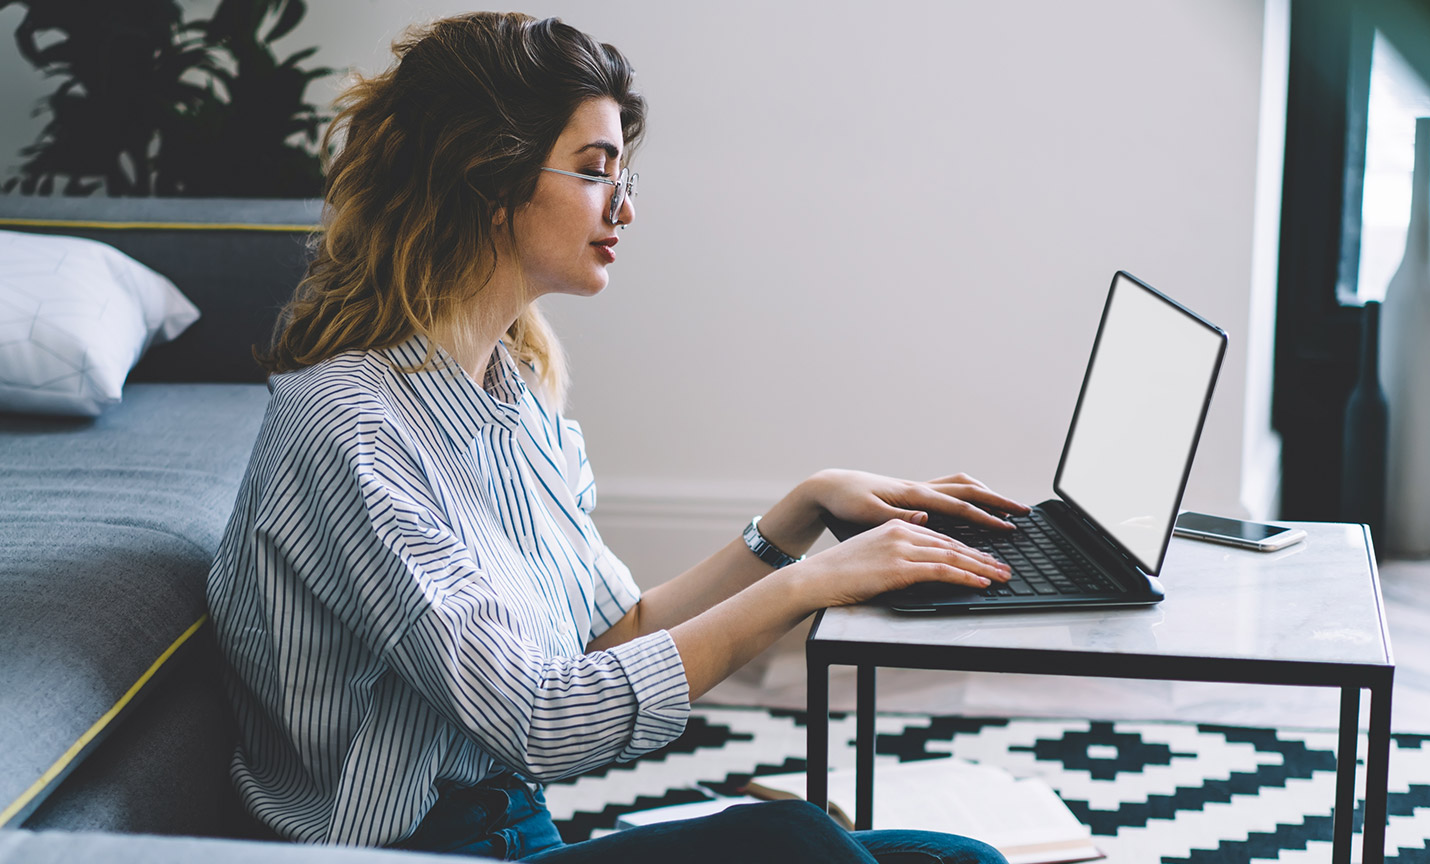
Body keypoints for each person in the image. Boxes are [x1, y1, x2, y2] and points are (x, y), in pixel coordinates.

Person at [207, 11, 1029, 863]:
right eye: (598, 172)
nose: (625, 209)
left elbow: (616, 632)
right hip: (416, 852)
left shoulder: (511, 398)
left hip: (514, 833)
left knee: (957, 860)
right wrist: (811, 587)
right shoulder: (349, 428)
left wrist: (797, 516)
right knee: (793, 839)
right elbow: (541, 721)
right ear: (489, 179)